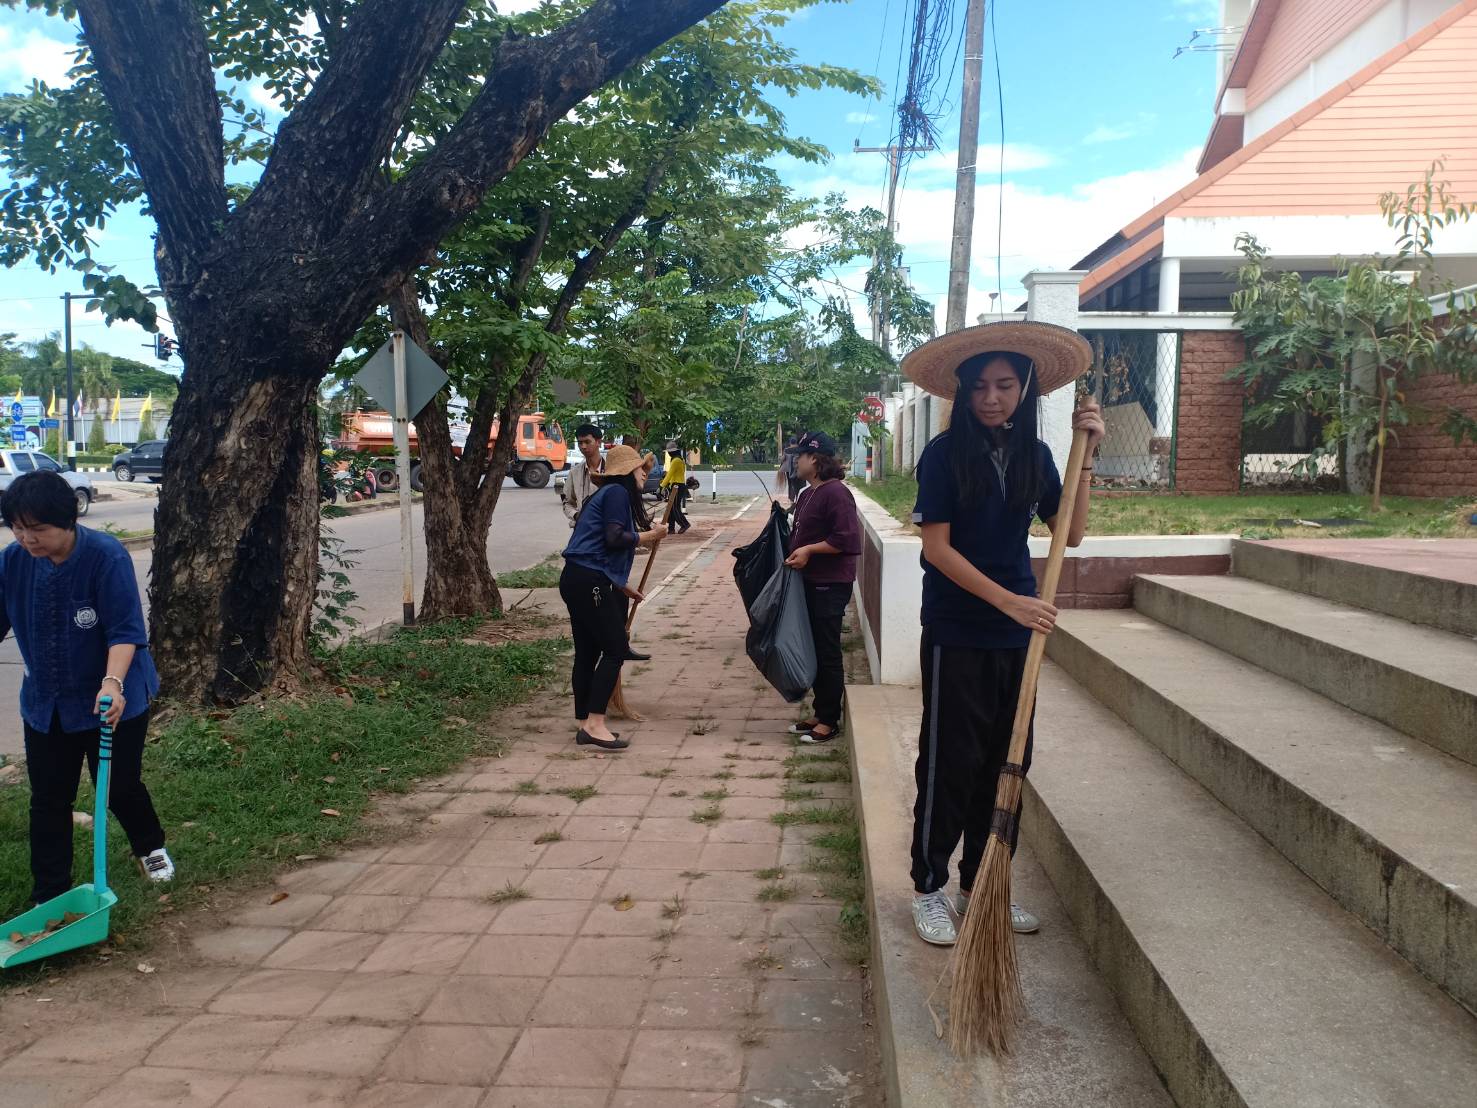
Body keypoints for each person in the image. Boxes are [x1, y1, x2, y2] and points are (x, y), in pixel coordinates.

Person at [900, 322, 1104, 947]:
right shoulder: (942, 456)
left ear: (1024, 390)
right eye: (981, 386)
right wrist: (1009, 603)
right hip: (960, 630)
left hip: (1018, 638)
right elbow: (936, 549)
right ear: (962, 392)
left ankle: (983, 882)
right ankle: (930, 888)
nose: (992, 397)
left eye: (1005, 385)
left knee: (1007, 761)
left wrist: (1086, 457)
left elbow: (1069, 533)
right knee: (949, 761)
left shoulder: (1035, 457)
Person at [0, 470, 174, 906]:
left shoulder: (105, 556)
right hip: (47, 701)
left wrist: (113, 685)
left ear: (69, 519)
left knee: (117, 786)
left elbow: (125, 632)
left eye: (38, 529)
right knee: (48, 798)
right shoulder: (13, 561)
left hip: (111, 697)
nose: (27, 539)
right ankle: (50, 892)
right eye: (18, 528)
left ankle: (150, 848)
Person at [559, 445, 663, 751]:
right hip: (588, 581)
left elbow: (600, 549)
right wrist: (651, 536)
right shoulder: (616, 493)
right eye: (640, 468)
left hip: (577, 578)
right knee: (616, 648)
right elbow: (614, 539)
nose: (645, 472)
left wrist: (621, 585)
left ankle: (583, 723)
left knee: (588, 652)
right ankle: (595, 724)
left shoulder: (604, 496)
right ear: (626, 473)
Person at [781, 431, 861, 745]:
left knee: (827, 651)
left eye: (799, 455)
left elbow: (846, 539)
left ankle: (830, 720)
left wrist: (811, 550)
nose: (795, 460)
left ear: (814, 460)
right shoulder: (807, 494)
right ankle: (820, 710)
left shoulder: (836, 493)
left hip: (830, 584)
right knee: (814, 647)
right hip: (810, 582)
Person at [561, 423, 604, 527]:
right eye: (580, 443)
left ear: (598, 442)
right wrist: (576, 515)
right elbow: (567, 502)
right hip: (583, 528)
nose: (583, 446)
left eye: (587, 442)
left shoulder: (612, 469)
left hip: (608, 528)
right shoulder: (574, 473)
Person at [660, 442, 690, 534]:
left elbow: (669, 475)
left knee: (674, 508)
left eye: (670, 452)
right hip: (676, 485)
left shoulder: (676, 461)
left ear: (674, 452)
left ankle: (684, 524)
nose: (669, 453)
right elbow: (672, 476)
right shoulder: (678, 459)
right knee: (671, 508)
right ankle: (671, 528)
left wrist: (661, 486)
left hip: (677, 486)